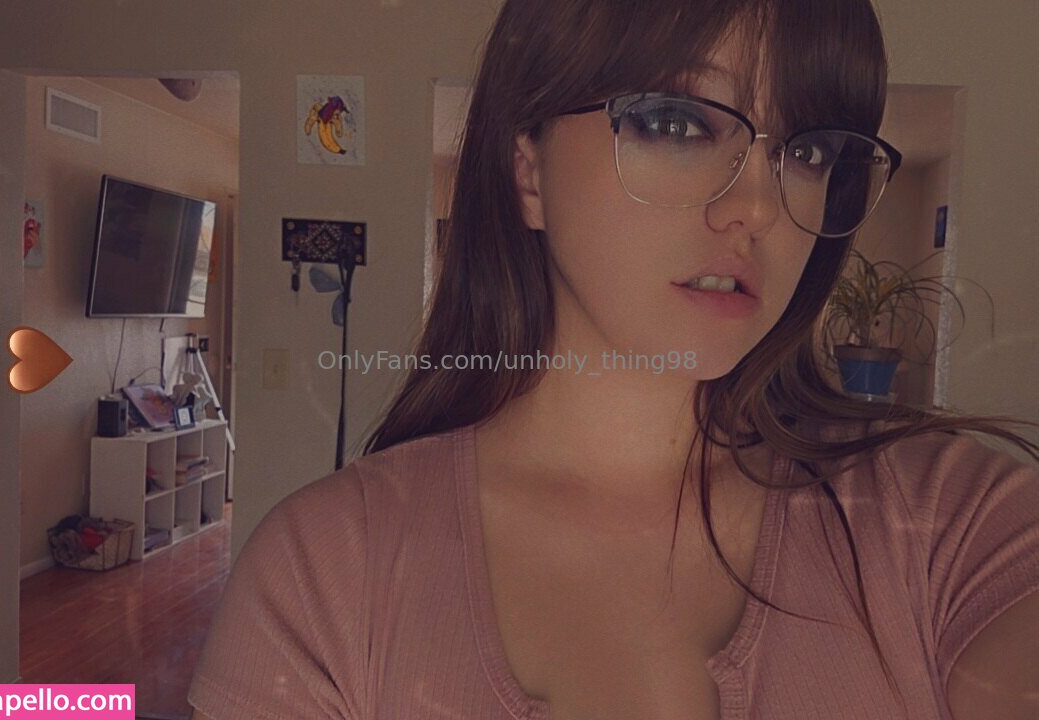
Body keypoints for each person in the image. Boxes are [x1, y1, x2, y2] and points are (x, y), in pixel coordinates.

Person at [187, 0, 1039, 718]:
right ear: (528, 174)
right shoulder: (327, 571)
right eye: (677, 122)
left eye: (806, 151)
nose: (756, 206)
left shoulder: (945, 523)